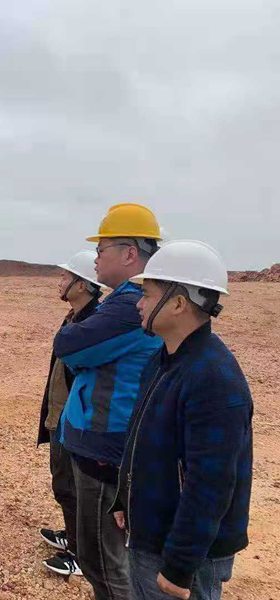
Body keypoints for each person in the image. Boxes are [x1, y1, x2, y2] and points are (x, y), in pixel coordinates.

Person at [112, 240, 253, 600]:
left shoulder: (214, 378)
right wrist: (125, 501)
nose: (139, 304)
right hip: (151, 536)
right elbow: (141, 440)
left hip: (183, 555)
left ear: (177, 303)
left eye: (146, 294)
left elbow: (211, 484)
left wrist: (179, 567)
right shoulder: (163, 360)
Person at [55, 203, 164, 599]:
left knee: (104, 563)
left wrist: (80, 349)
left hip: (105, 447)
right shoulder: (129, 300)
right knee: (98, 557)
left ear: (129, 253)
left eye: (101, 249)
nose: (96, 258)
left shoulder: (128, 305)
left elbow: (69, 346)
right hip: (102, 442)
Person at [37, 251, 103, 577]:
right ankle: (74, 535)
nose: (60, 281)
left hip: (73, 420)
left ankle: (81, 554)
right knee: (63, 482)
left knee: (73, 487)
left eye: (65, 277)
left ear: (82, 285)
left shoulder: (94, 324)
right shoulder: (74, 318)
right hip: (61, 414)